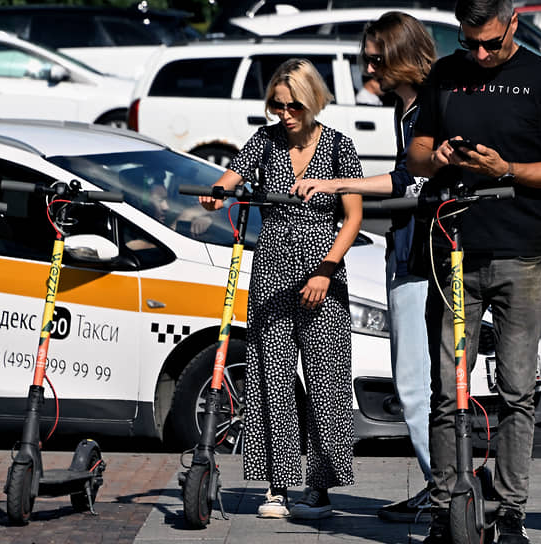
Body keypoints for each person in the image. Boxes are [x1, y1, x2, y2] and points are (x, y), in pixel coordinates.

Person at [406, 1, 541, 542]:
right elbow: (415, 154)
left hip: (519, 250)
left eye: (491, 44)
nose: (480, 54)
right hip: (451, 246)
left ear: (513, 27)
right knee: (445, 389)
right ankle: (445, 508)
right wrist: (441, 160)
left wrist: (505, 169)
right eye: (469, 43)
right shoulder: (445, 75)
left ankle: (509, 513)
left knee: (516, 388)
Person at [198, 58, 363, 521]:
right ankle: (277, 485)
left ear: (312, 102)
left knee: (327, 379)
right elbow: (230, 178)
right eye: (277, 104)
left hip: (322, 272)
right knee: (271, 375)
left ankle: (321, 484)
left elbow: (352, 217)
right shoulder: (264, 142)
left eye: (293, 105)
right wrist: (217, 191)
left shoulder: (338, 147)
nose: (284, 113)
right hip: (272, 268)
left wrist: (326, 269)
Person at [290, 11, 437, 523]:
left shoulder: (428, 107)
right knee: (421, 385)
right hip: (414, 256)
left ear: (401, 56)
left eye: (375, 60)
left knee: (416, 388)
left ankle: (448, 492)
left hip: (425, 261)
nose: (365, 71)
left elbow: (409, 183)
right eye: (364, 60)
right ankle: (446, 484)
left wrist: (335, 185)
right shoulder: (409, 108)